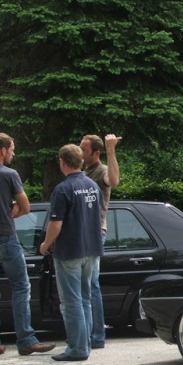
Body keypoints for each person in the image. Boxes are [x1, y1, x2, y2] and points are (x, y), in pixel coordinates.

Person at [0, 133, 56, 358]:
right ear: (3, 150)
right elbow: (26, 207)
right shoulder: (9, 174)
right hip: (5, 236)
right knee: (20, 287)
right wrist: (13, 207)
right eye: (12, 149)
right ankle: (26, 339)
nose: (13, 153)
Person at [40, 144, 104, 362]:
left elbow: (56, 224)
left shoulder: (63, 189)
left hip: (70, 251)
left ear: (62, 162)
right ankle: (84, 344)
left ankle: (77, 348)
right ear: (81, 161)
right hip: (92, 249)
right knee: (86, 299)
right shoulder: (93, 186)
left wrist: (46, 243)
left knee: (71, 302)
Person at [80, 133, 121, 349]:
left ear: (96, 153)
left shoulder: (101, 170)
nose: (80, 152)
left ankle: (96, 336)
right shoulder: (80, 171)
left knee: (91, 284)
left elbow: (114, 181)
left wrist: (111, 150)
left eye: (84, 150)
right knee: (83, 285)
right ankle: (86, 333)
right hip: (80, 234)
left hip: (95, 232)